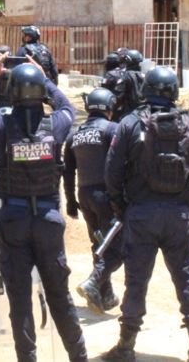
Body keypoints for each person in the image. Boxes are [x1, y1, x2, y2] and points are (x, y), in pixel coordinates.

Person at [0, 57, 88, 362]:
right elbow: (68, 108)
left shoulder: (0, 125)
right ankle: (79, 357)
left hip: (14, 221)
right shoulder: (56, 124)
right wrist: (46, 80)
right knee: (60, 297)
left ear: (12, 92)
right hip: (48, 221)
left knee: (20, 302)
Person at [103, 67, 189, 362]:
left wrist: (121, 207)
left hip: (140, 214)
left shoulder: (129, 124)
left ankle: (126, 348)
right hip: (179, 215)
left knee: (136, 280)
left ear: (145, 90)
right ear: (174, 91)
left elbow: (112, 171)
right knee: (187, 278)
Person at [64, 88, 123, 314]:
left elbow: (67, 172)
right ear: (109, 107)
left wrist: (70, 201)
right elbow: (117, 164)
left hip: (84, 195)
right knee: (118, 248)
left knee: (100, 244)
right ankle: (93, 282)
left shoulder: (74, 134)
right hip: (106, 196)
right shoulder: (112, 130)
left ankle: (104, 295)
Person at [110, 50, 145, 121]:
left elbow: (117, 98)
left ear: (127, 61)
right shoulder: (145, 76)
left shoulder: (125, 76)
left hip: (128, 115)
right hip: (143, 114)